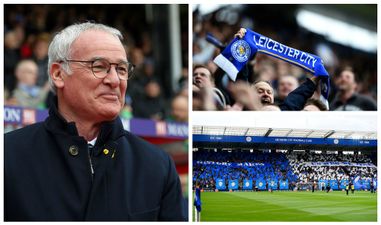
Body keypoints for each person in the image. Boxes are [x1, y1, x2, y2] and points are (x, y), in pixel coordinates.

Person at [5, 22, 186, 221]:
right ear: (58, 74)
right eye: (99, 66)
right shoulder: (7, 156)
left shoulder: (157, 165)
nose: (115, 80)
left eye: (122, 69)